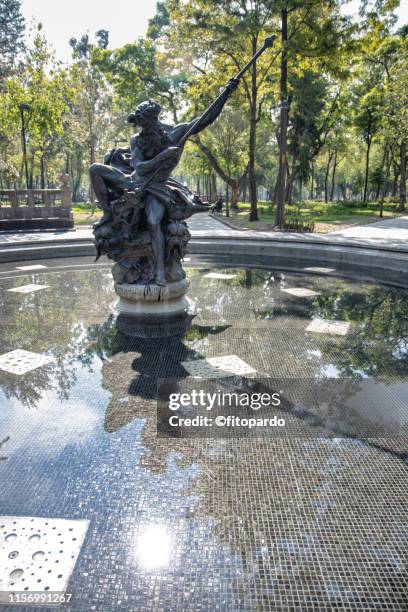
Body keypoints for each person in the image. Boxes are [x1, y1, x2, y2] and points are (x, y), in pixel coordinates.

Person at [89, 79, 238, 285]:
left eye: (143, 124)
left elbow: (205, 119)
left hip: (157, 187)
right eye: (138, 124)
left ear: (153, 120)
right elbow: (140, 167)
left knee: (152, 221)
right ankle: (107, 213)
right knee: (95, 170)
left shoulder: (176, 133)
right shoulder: (136, 139)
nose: (140, 128)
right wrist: (162, 156)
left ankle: (159, 270)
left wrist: (226, 93)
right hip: (134, 181)